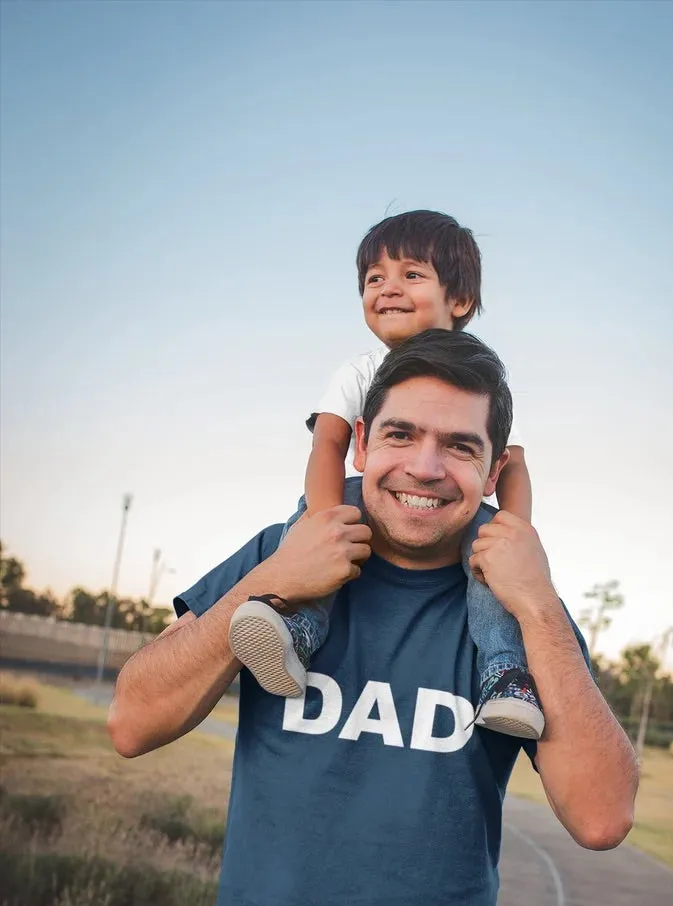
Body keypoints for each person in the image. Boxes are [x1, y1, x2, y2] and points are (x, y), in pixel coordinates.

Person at [108, 329, 638, 906]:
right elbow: (131, 719)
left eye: (459, 445)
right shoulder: (281, 558)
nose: (425, 466)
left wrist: (538, 601)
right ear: (360, 442)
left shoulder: (511, 606)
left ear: (494, 468)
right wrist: (271, 577)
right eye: (401, 435)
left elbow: (602, 813)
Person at [229, 209, 545, 740]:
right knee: (308, 536)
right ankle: (298, 628)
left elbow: (512, 462)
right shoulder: (359, 370)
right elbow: (327, 444)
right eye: (374, 278)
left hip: (455, 519)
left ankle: (506, 676)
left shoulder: (480, 377)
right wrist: (323, 523)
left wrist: (514, 539)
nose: (388, 288)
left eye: (411, 275)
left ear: (460, 301)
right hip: (356, 503)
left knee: (491, 577)